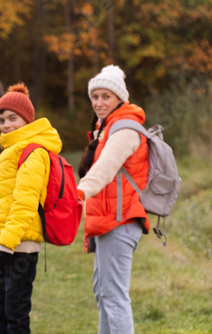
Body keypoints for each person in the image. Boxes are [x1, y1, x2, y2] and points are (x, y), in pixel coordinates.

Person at [0, 83, 62, 334]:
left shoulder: (33, 152)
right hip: (2, 244)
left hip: (19, 246)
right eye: (1, 119)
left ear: (27, 119)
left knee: (15, 313)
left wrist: (8, 241)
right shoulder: (9, 151)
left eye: (13, 118)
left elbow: (26, 200)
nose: (6, 124)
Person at [77, 64, 150, 334]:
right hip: (109, 219)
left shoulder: (125, 129)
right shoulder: (105, 128)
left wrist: (79, 192)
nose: (98, 102)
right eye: (95, 96)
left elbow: (105, 168)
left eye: (106, 96)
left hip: (119, 220)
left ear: (120, 98)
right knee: (104, 293)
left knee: (114, 297)